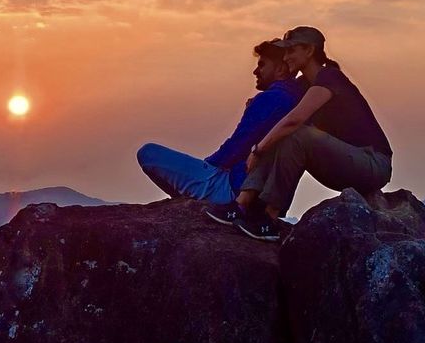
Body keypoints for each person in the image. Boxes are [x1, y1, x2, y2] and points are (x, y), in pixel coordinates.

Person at [206, 26, 392, 241]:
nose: (286, 57)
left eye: (291, 51)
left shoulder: (330, 77)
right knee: (281, 133)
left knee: (297, 134)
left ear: (309, 50)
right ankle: (242, 205)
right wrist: (256, 105)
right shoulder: (304, 84)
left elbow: (294, 120)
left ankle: (270, 219)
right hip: (342, 164)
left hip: (372, 164)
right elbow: (281, 108)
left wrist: (257, 151)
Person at [137, 40, 305, 203]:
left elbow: (238, 145)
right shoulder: (298, 101)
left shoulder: (271, 98)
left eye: (262, 65)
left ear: (281, 70)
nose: (255, 71)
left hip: (231, 186)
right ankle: (188, 202)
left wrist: (207, 165)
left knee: (148, 153)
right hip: (260, 195)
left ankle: (190, 204)